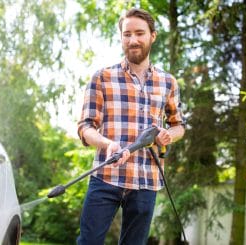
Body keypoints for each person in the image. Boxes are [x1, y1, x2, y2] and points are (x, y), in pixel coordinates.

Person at [77, 8, 185, 245]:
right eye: (127, 34)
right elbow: (86, 127)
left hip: (146, 180)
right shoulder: (102, 78)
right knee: (88, 242)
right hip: (106, 176)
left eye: (139, 33)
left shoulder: (168, 82)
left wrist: (168, 135)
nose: (133, 40)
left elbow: (179, 125)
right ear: (121, 37)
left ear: (152, 36)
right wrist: (107, 144)